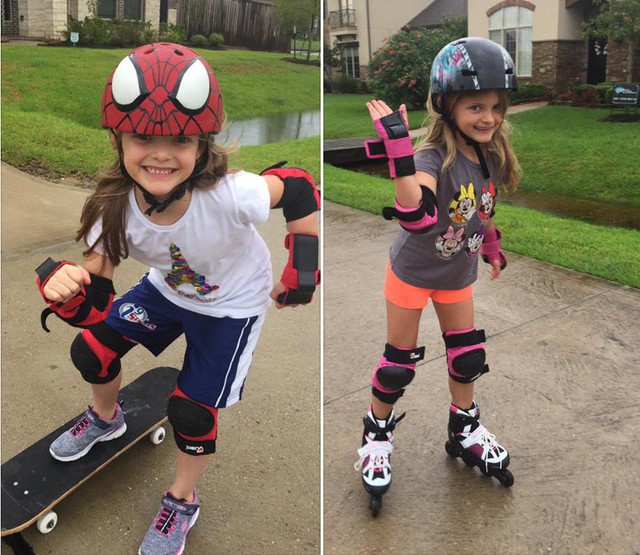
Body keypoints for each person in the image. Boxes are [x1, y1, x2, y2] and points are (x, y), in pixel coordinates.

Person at [35, 43, 319, 555]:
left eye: (180, 139)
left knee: (191, 412)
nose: (162, 153)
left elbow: (298, 186)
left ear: (202, 143)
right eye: (143, 136)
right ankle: (106, 419)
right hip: (168, 289)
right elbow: (96, 295)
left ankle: (182, 499)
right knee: (91, 350)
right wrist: (68, 292)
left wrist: (303, 266)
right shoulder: (113, 208)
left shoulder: (233, 194)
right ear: (118, 137)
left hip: (232, 307)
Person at [355, 37, 522, 505]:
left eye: (495, 106)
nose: (488, 117)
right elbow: (420, 214)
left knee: (466, 356)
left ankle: (464, 426)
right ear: (446, 106)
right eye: (475, 106)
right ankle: (376, 436)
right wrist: (399, 156)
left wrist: (489, 244)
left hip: (456, 276)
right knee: (397, 366)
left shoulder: (486, 154)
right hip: (412, 273)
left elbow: (478, 210)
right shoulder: (432, 157)